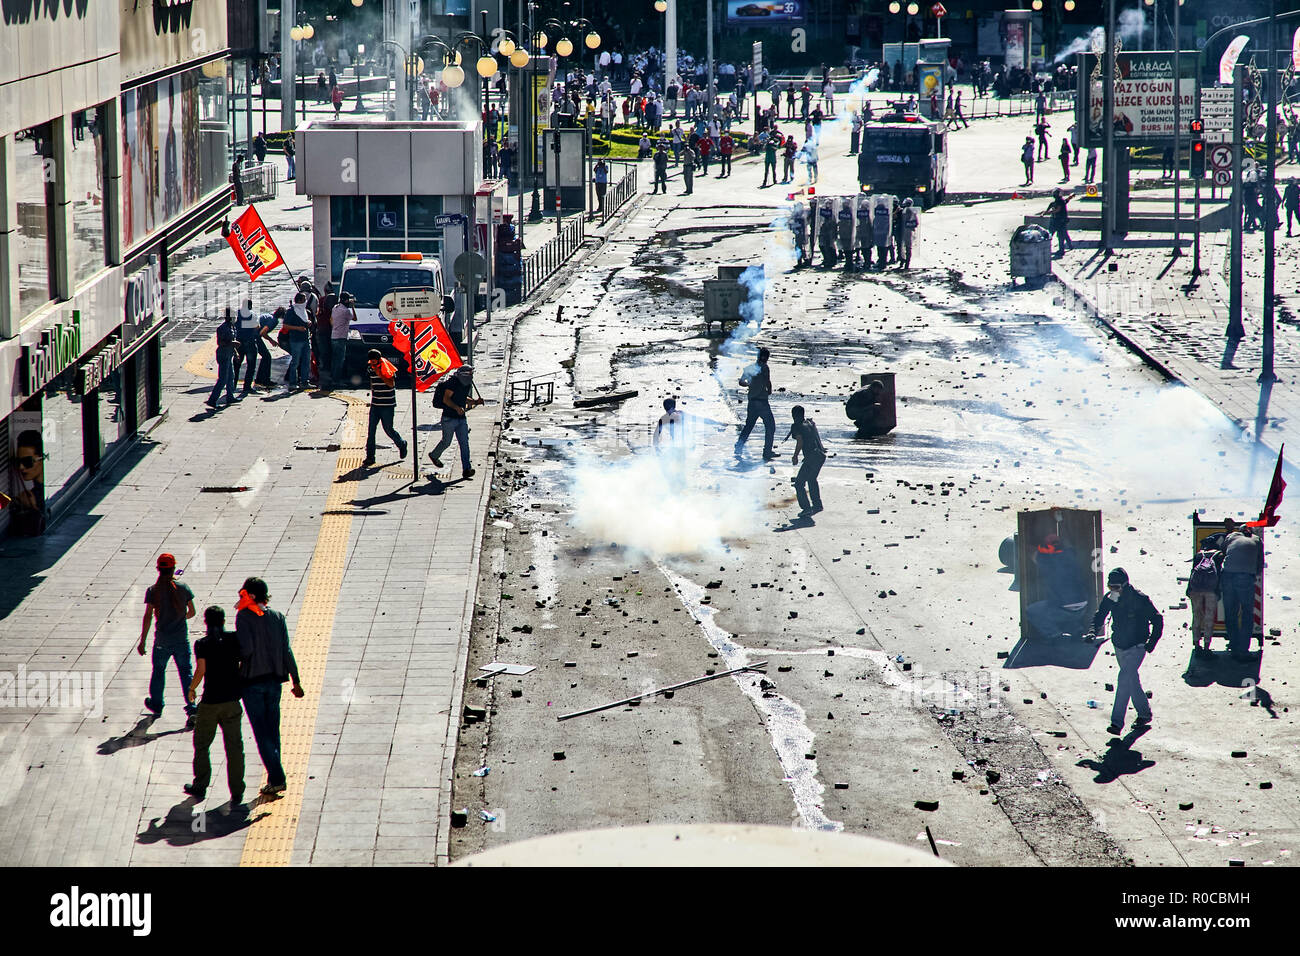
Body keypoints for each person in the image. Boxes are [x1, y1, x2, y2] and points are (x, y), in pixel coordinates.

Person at [236, 578, 303, 796]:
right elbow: (287, 651)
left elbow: (245, 651)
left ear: (252, 596)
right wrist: (296, 680)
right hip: (275, 683)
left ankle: (277, 778)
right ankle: (275, 776)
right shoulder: (278, 617)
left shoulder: (243, 617)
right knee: (273, 732)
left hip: (252, 683)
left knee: (261, 733)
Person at [1086, 568, 1162, 736]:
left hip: (1137, 646)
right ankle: (1144, 714)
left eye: (1117, 587)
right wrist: (1092, 631)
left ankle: (1116, 723)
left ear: (1125, 585)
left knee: (1123, 680)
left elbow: (1157, 619)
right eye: (1110, 587)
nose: (1114, 590)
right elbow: (1100, 616)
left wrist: (1151, 642)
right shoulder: (1111, 598)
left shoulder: (1140, 599)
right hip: (1119, 645)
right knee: (1132, 680)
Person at [184, 606, 246, 804]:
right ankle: (237, 791)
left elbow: (201, 670)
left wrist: (192, 688)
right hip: (232, 701)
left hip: (210, 702)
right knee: (234, 747)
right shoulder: (235, 639)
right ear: (224, 621)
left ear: (205, 622)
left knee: (202, 745)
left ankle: (200, 785)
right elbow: (243, 662)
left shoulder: (202, 644)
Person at [137, 553, 198, 725]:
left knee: (158, 672)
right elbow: (192, 612)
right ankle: (192, 707)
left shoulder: (152, 591)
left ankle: (156, 704)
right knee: (186, 673)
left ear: (158, 570)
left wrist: (142, 642)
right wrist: (180, 617)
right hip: (181, 640)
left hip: (161, 641)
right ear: (172, 569)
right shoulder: (183, 587)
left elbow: (148, 617)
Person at [1025, 534, 1090, 639]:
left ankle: (1053, 635)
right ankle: (1075, 629)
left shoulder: (1046, 560)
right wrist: (1060, 520)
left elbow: (1031, 552)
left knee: (1032, 611)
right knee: (1065, 609)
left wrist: (1022, 543)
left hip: (1063, 610)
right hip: (1083, 607)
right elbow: (1068, 542)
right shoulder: (1070, 554)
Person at [428, 365, 483, 478]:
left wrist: (475, 402)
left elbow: (463, 398)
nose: (472, 376)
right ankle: (434, 455)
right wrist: (457, 408)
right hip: (449, 418)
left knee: (464, 443)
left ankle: (466, 469)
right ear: (464, 374)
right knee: (446, 442)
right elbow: (446, 399)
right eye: (470, 373)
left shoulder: (466, 384)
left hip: (461, 419)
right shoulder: (452, 383)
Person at [1219, 522, 1263, 661]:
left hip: (1227, 575)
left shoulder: (1233, 536)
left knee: (1230, 613)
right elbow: (1260, 563)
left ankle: (1234, 646)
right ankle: (1243, 651)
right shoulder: (1257, 540)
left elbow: (1223, 550)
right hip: (1245, 578)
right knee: (1247, 615)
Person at [363, 350, 407, 466]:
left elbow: (391, 384)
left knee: (388, 429)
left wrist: (379, 372)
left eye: (374, 361)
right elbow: (372, 383)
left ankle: (401, 444)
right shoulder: (370, 368)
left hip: (387, 405)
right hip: (376, 405)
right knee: (371, 431)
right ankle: (370, 457)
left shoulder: (386, 367)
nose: (373, 363)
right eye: (371, 361)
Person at [735, 347, 776, 459]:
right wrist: (769, 390)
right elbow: (768, 382)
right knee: (770, 426)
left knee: (749, 426)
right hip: (762, 402)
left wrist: (750, 385)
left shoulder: (749, 368)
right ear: (766, 357)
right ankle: (767, 451)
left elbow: (741, 382)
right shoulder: (765, 367)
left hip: (752, 402)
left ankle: (738, 447)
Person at [788, 405, 826, 517]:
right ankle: (817, 505)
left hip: (812, 457)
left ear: (793, 415)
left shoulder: (796, 426)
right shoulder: (810, 423)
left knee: (799, 483)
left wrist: (795, 456)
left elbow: (800, 441)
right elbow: (816, 436)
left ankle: (806, 508)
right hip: (820, 455)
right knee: (811, 479)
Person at [1187, 541, 1223, 656]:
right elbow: (1220, 574)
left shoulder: (1198, 555)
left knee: (1196, 616)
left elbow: (1192, 571)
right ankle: (1207, 646)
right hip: (1211, 591)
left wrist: (1189, 589)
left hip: (1196, 590)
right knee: (1209, 618)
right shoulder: (1219, 555)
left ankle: (1197, 645)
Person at [207, 308, 239, 408]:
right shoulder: (223, 328)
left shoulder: (232, 327)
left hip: (229, 354)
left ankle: (230, 396)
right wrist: (231, 343)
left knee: (230, 376)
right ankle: (212, 399)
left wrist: (236, 352)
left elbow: (233, 340)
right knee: (223, 379)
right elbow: (220, 342)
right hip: (223, 354)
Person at [654, 397, 687, 487]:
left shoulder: (663, 418)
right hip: (681, 446)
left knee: (667, 467)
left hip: (673, 446)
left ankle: (672, 486)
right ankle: (679, 487)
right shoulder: (681, 414)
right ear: (673, 407)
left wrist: (657, 449)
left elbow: (656, 435)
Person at [282, 293, 312, 390]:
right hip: (296, 340)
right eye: (304, 299)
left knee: (306, 361)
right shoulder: (291, 311)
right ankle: (293, 383)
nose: (305, 301)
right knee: (295, 362)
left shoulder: (304, 311)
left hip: (305, 339)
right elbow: (285, 325)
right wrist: (298, 328)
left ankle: (305, 381)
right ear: (299, 300)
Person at [234, 300, 261, 395]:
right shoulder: (252, 314)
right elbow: (257, 327)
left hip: (239, 342)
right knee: (251, 365)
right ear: (250, 306)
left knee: (236, 364)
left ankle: (232, 385)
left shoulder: (236, 314)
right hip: (249, 341)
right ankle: (247, 387)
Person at [1046, 188, 1073, 256]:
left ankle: (1061, 250)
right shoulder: (1060, 201)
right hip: (1059, 220)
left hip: (1060, 221)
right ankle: (1069, 246)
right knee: (1064, 234)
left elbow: (1058, 209)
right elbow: (1066, 201)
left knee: (1060, 235)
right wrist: (1071, 197)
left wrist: (1049, 212)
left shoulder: (1059, 201)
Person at [897, 198, 918, 269]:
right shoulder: (909, 212)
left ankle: (904, 262)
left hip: (904, 232)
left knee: (903, 247)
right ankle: (905, 262)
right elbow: (916, 223)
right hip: (906, 232)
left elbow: (915, 223)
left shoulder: (904, 211)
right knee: (906, 248)